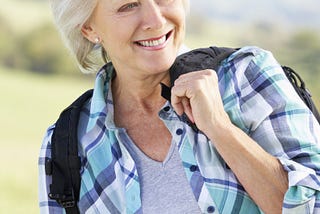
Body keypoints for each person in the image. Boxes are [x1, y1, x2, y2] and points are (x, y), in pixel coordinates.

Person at [38, 0, 320, 213]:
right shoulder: (66, 143)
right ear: (89, 28)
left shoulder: (247, 77)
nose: (155, 19)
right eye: (128, 5)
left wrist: (220, 128)